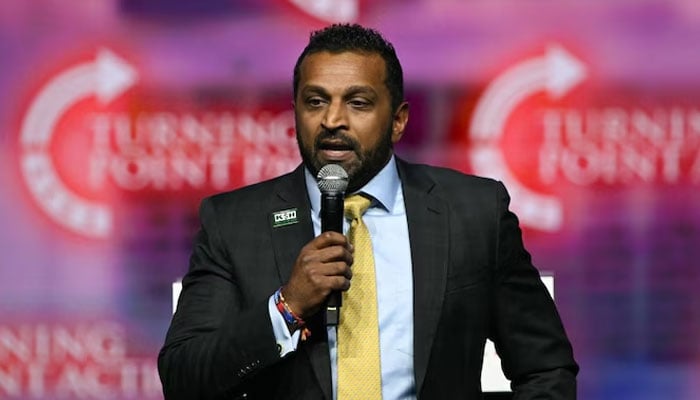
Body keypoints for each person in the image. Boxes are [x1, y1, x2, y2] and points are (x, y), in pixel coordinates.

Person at [158, 23, 578, 399]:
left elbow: (546, 368)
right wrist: (287, 307)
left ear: (398, 120)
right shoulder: (233, 223)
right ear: (295, 113)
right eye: (316, 102)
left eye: (358, 103)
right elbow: (184, 377)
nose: (333, 120)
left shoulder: (474, 212)